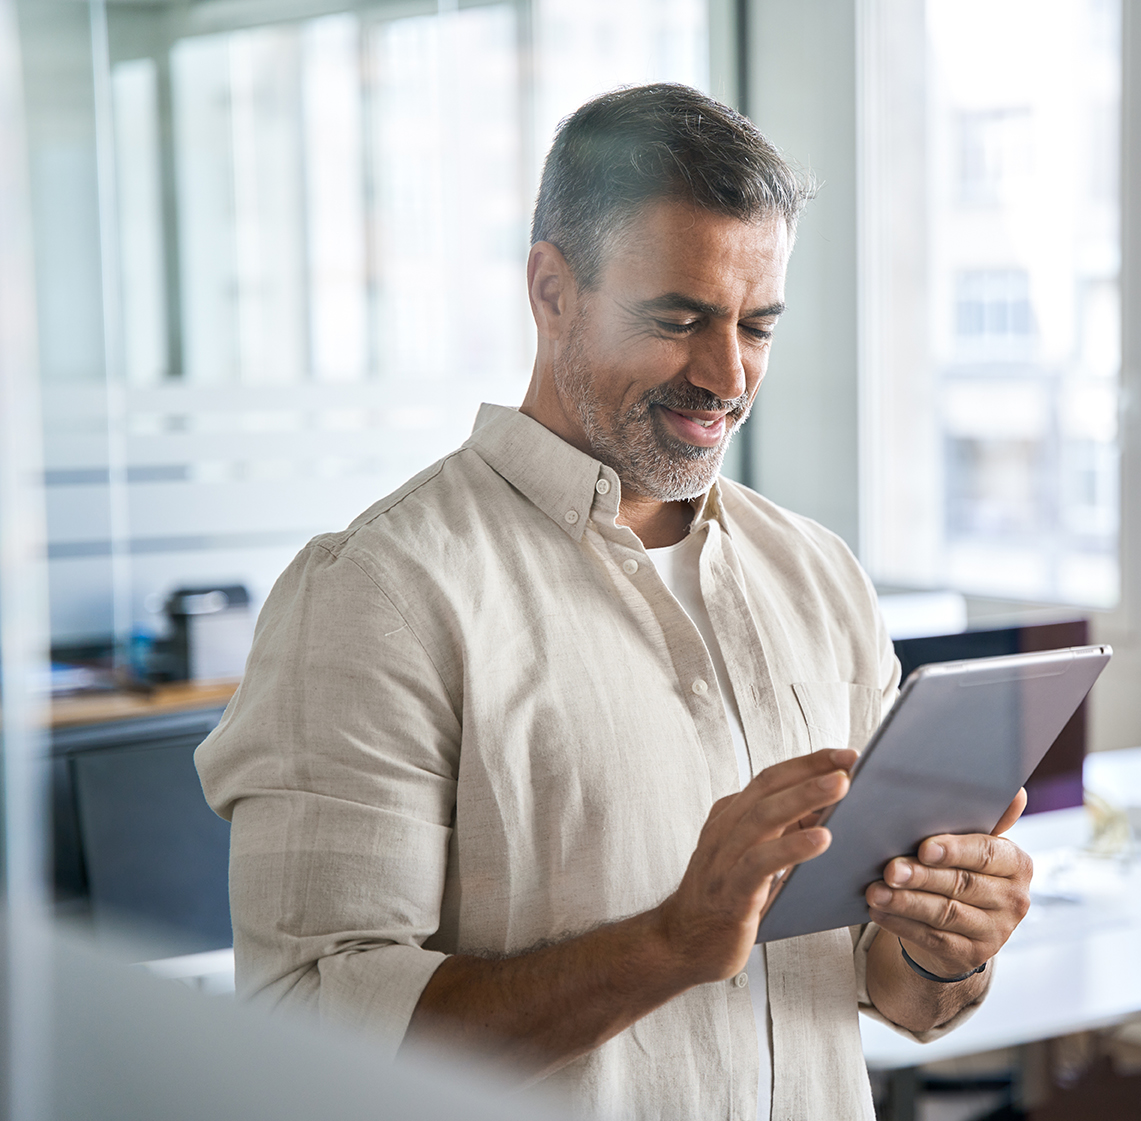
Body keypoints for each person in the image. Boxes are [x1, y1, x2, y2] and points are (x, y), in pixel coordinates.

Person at [195, 83, 1032, 1119]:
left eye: (757, 326)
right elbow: (308, 1034)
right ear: (552, 289)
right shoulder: (379, 593)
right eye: (679, 319)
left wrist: (944, 947)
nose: (726, 375)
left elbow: (887, 988)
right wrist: (669, 942)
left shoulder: (820, 576)